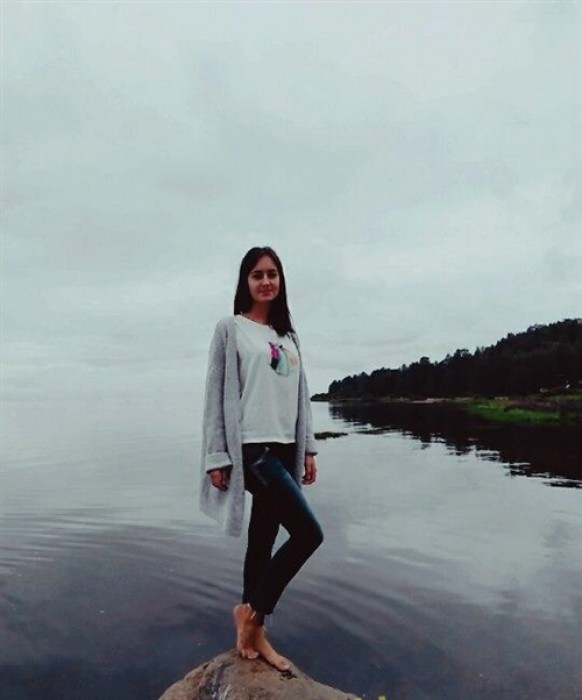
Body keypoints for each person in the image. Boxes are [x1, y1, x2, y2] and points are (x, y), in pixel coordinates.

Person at [199, 246, 324, 671]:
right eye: (257, 274)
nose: (266, 281)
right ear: (246, 282)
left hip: (286, 447)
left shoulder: (288, 336)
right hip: (252, 449)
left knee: (264, 537)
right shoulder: (230, 329)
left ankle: (253, 628)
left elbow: (301, 396)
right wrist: (217, 455)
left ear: (280, 280)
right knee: (308, 534)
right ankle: (253, 617)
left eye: (272, 274)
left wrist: (308, 448)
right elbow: (215, 394)